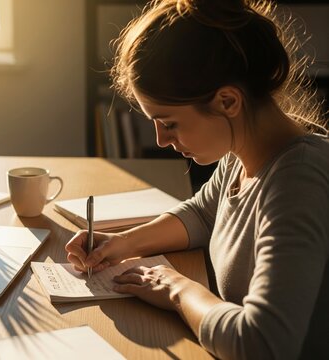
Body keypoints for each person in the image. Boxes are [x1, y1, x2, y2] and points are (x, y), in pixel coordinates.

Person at [65, 0, 328, 359]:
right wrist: (120, 245)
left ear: (227, 101)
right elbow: (204, 215)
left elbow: (264, 344)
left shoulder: (297, 182)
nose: (161, 140)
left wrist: (177, 289)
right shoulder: (245, 151)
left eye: (169, 123)